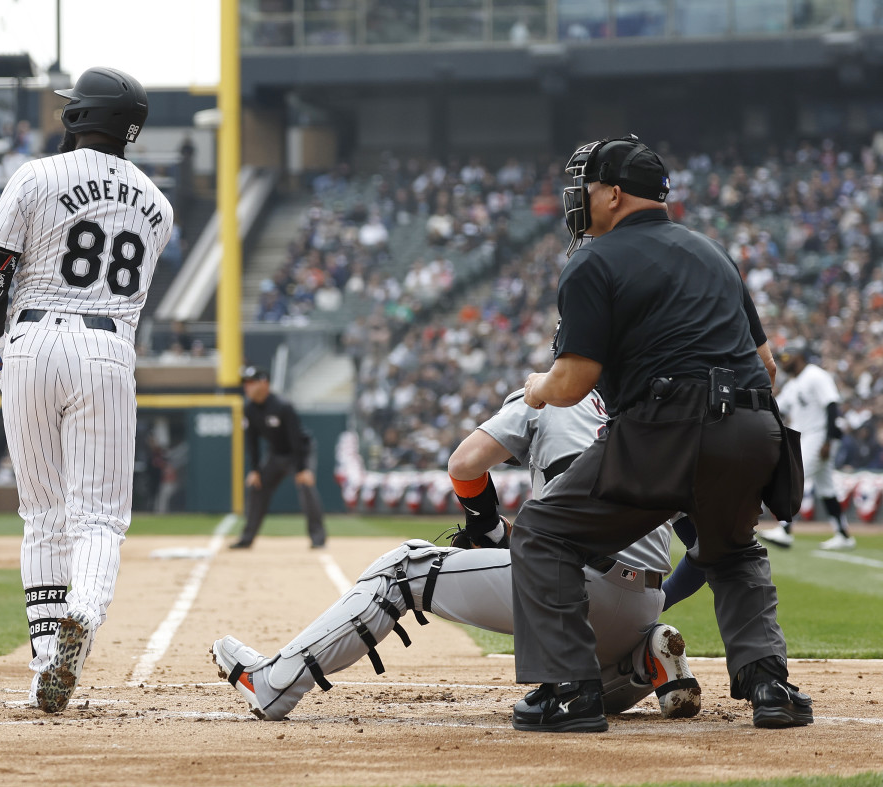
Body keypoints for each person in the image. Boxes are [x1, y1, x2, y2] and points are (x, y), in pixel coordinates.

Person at [511, 135, 812, 733]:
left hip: (662, 427)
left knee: (543, 534)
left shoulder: (592, 261)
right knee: (732, 549)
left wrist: (537, 386)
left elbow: (574, 382)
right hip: (753, 427)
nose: (578, 198)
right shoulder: (713, 253)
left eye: (586, 187)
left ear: (614, 194)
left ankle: (573, 692)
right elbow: (768, 367)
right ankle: (770, 686)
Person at [211, 388, 701, 722]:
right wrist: (657, 603)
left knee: (402, 570)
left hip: (574, 588)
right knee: (585, 682)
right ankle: (643, 660)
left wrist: (485, 528)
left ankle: (274, 682)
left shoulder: (548, 393)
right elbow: (702, 550)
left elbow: (465, 464)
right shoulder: (653, 413)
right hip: (642, 604)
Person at [0, 67, 172, 714]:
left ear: (80, 116)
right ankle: (83, 613)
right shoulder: (159, 206)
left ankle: (45, 661)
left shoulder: (34, 176)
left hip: (28, 344)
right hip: (107, 347)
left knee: (43, 517)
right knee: (99, 519)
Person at [758, 345, 854, 551]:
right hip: (808, 437)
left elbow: (831, 405)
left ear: (799, 356)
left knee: (792, 477)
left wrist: (828, 441)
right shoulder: (795, 382)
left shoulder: (815, 375)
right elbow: (777, 406)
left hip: (819, 436)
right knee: (826, 488)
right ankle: (843, 534)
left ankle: (784, 530)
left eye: (787, 357)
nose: (783, 361)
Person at [229, 366, 328, 549]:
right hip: (276, 455)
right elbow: (251, 441)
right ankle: (247, 538)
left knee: (306, 487)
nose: (247, 387)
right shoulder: (249, 408)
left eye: (251, 383)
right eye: (245, 383)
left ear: (264, 384)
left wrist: (301, 469)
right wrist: (255, 470)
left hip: (300, 452)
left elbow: (296, 440)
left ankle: (318, 538)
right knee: (257, 487)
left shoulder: (282, 406)